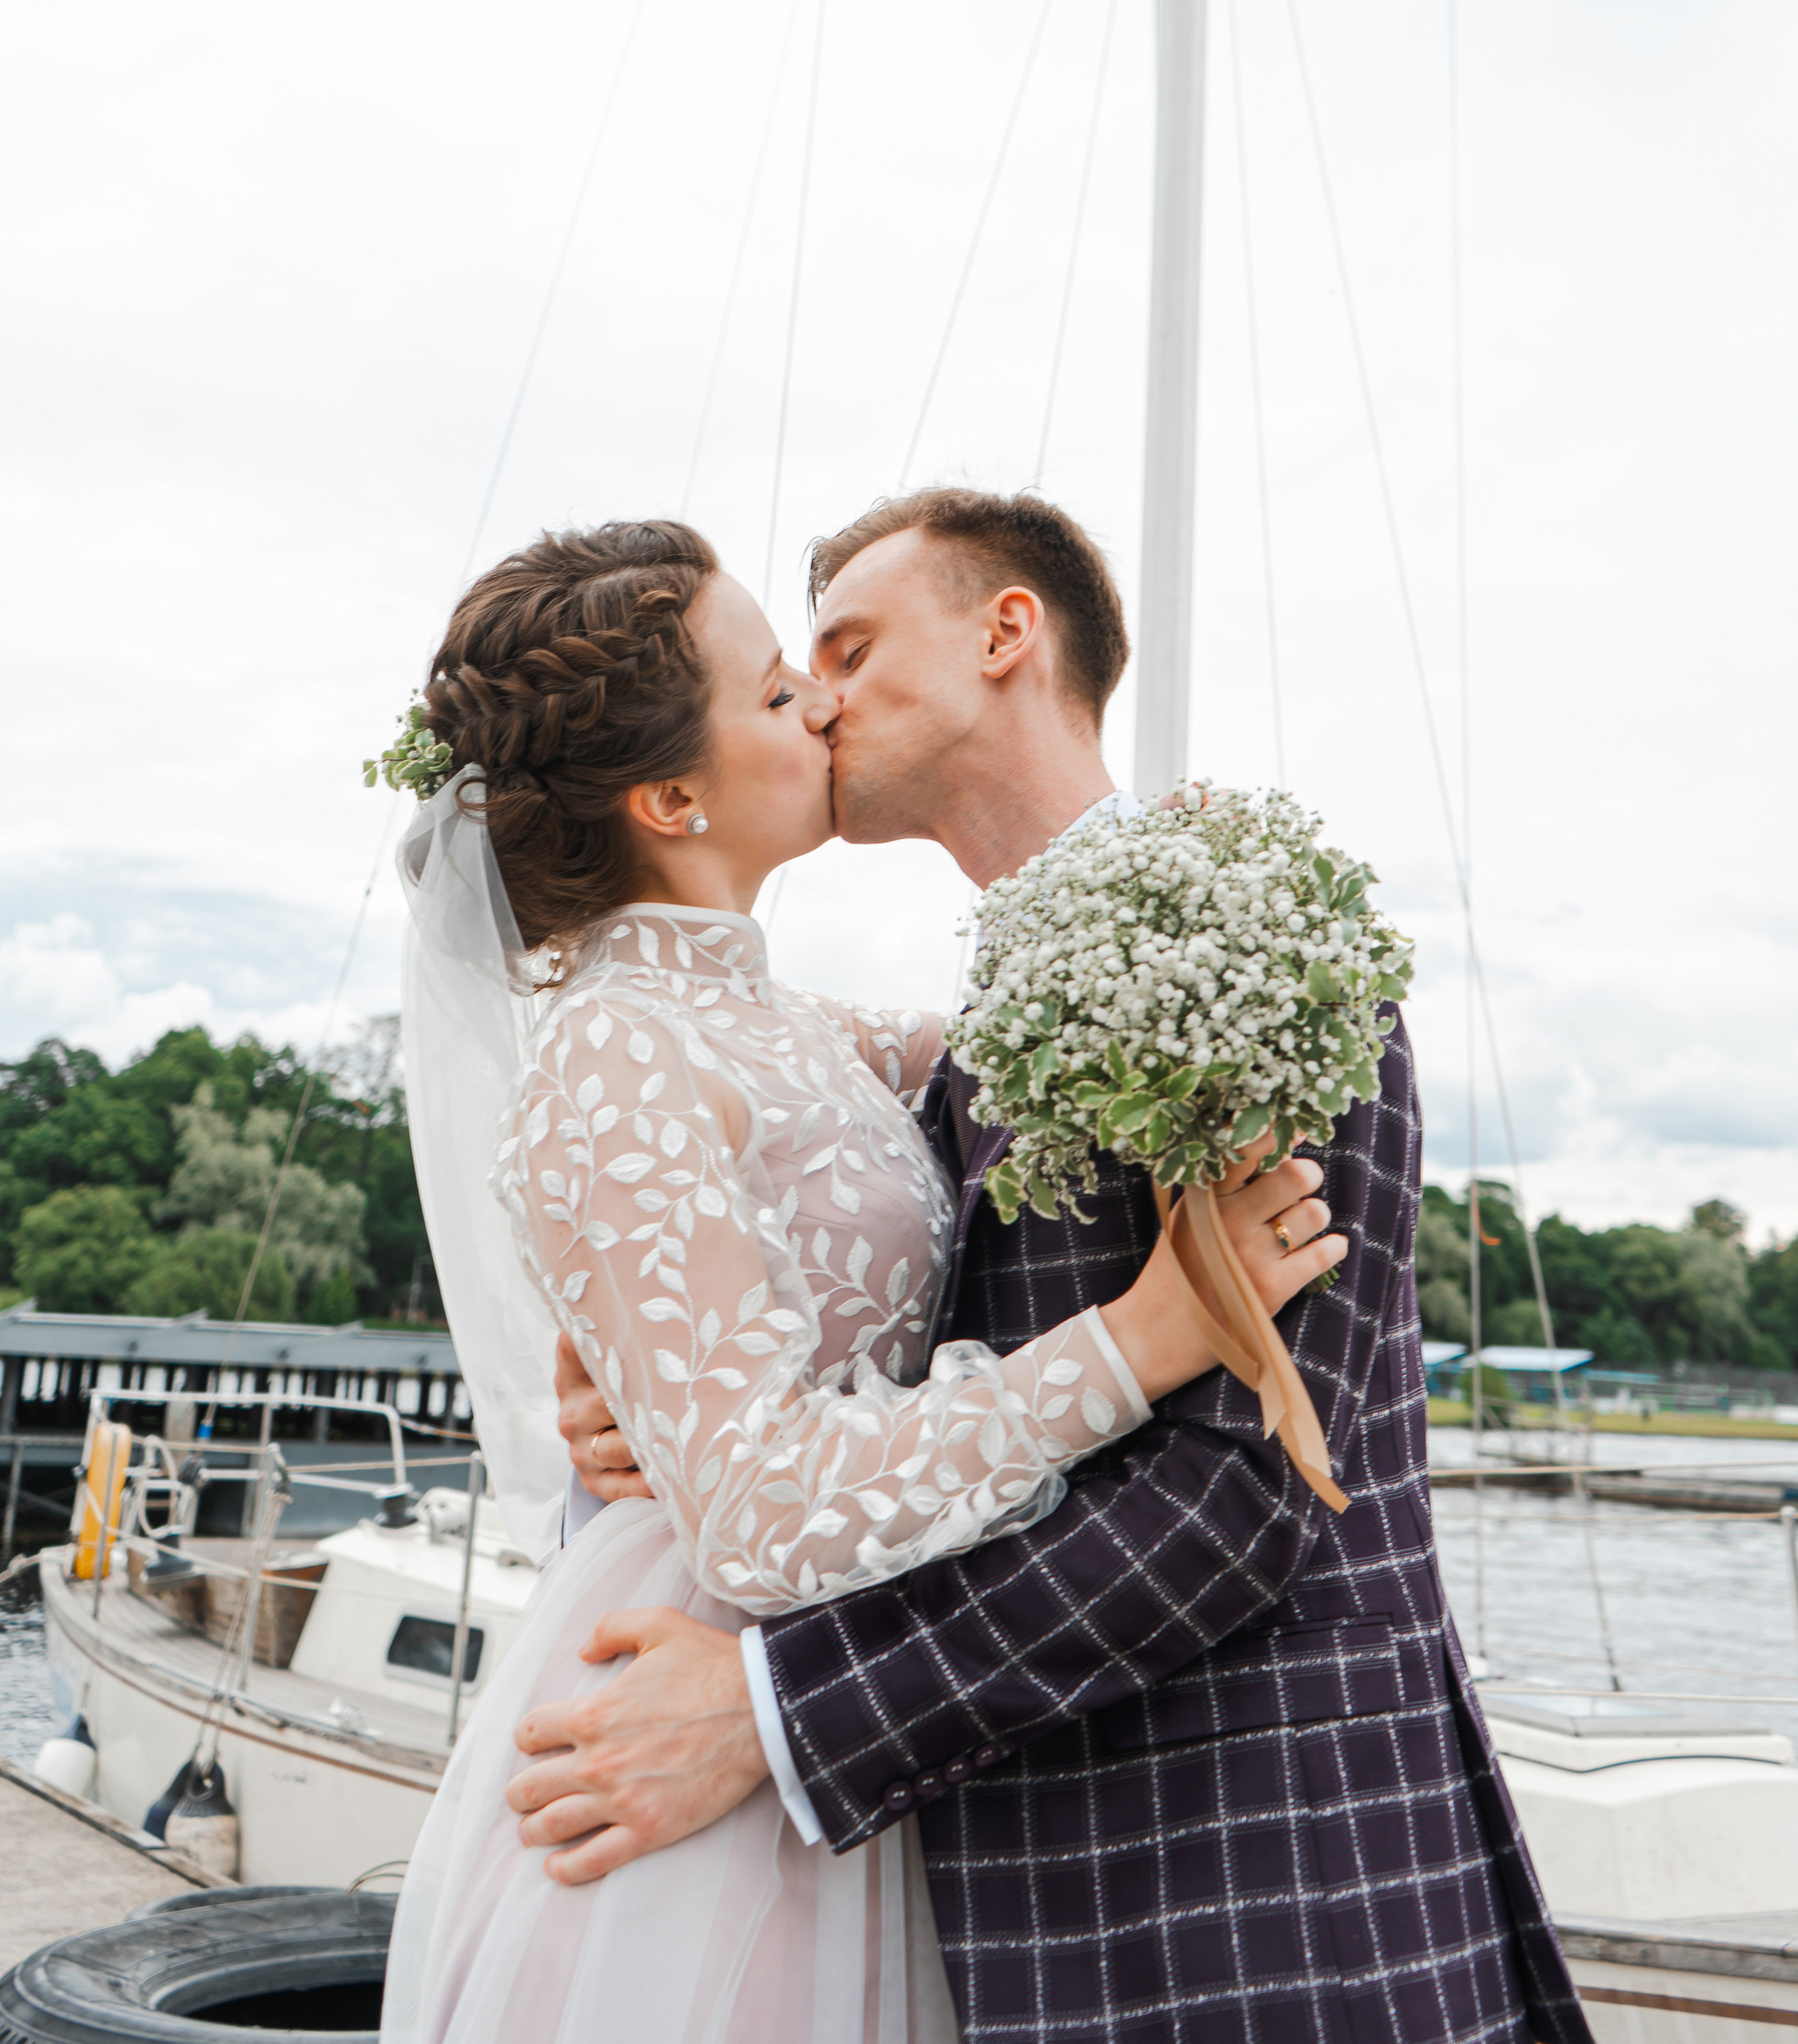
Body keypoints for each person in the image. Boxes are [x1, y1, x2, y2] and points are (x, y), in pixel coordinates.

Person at [531, 489, 1592, 2044]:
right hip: (998, 1907)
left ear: (1005, 633)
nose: (813, 695)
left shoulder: (1257, 957)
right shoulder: (937, 1063)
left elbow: (1245, 1502)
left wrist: (775, 1709)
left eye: (849, 644)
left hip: (1267, 1892)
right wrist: (647, 1387)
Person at [380, 516, 1342, 2044]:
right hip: (704, 1704)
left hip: (853, 1727)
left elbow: (988, 1086)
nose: (819, 709)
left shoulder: (780, 1020)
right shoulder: (614, 1048)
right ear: (673, 795)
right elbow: (757, 1515)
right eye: (776, 692)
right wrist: (1139, 1338)